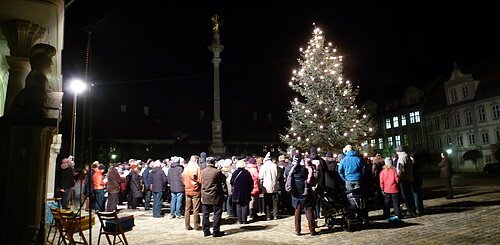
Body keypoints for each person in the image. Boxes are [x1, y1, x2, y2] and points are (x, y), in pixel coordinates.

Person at [287, 152, 318, 236]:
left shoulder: (290, 169)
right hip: (305, 192)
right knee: (309, 210)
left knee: (297, 212)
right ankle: (312, 230)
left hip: (295, 194)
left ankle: (298, 230)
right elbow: (311, 179)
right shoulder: (304, 169)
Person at [201, 157, 227, 237]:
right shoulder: (216, 172)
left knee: (205, 214)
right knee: (217, 213)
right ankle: (216, 231)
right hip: (215, 195)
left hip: (205, 195)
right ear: (214, 162)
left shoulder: (202, 171)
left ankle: (206, 231)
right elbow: (223, 179)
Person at [379, 157, 403, 222]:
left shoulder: (382, 172)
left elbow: (381, 181)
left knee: (387, 203)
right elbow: (397, 179)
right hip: (394, 189)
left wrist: (382, 188)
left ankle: (386, 214)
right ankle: (397, 214)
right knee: (396, 203)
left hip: (386, 189)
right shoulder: (394, 171)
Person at [183, 155, 203, 230]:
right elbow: (200, 180)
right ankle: (196, 225)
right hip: (195, 190)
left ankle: (187, 225)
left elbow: (183, 178)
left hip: (187, 190)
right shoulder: (196, 167)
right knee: (196, 209)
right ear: (196, 160)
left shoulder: (186, 168)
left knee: (187, 209)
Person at [230, 160, 253, 224]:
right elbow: (251, 182)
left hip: (237, 191)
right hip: (245, 191)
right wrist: (250, 189)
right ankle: (244, 220)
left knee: (238, 205)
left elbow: (231, 182)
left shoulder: (235, 173)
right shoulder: (247, 173)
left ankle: (240, 220)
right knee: (245, 205)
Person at [396, 145, 416, 217]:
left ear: (399, 152)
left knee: (406, 196)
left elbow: (401, 169)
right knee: (409, 195)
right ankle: (413, 210)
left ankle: (410, 211)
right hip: (409, 178)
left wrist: (398, 177)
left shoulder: (401, 158)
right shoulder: (407, 156)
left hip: (403, 179)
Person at [258, 152, 280, 220]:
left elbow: (260, 177)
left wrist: (260, 185)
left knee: (267, 201)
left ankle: (267, 215)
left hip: (266, 185)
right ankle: (275, 215)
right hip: (274, 184)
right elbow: (278, 175)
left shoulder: (263, 167)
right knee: (274, 201)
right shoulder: (275, 165)